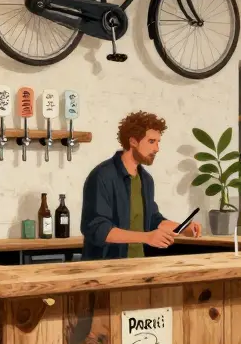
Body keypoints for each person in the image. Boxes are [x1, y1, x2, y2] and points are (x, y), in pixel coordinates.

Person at [81, 111, 200, 260]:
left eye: (158, 142)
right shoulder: (102, 176)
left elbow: (153, 220)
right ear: (133, 141)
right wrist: (147, 237)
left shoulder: (146, 180)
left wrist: (183, 228)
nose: (157, 148)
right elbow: (98, 229)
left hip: (139, 265)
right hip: (106, 270)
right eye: (151, 141)